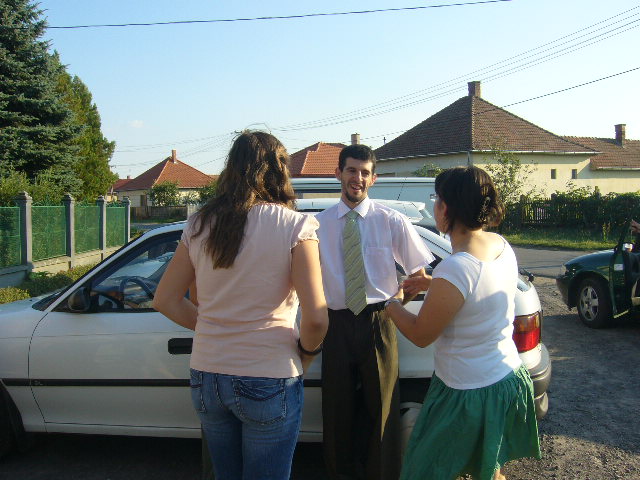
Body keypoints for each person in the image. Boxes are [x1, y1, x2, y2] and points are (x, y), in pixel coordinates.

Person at [153, 130, 328, 480]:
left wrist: (214, 327)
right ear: (279, 169)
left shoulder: (200, 224)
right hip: (270, 372)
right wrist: (305, 357)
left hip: (208, 374)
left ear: (231, 169)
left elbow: (166, 300)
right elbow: (317, 319)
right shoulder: (296, 226)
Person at [384, 166, 541, 480]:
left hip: (469, 391)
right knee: (488, 468)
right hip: (506, 378)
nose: (434, 207)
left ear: (446, 208)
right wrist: (433, 283)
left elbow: (421, 334)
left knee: (424, 470)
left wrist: (390, 304)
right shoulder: (499, 244)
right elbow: (480, 289)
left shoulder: (455, 268)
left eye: (436, 200)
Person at [315, 144, 434, 480]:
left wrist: (395, 305)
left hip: (379, 321)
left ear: (374, 178)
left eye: (365, 172)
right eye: (351, 170)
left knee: (382, 408)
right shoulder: (318, 225)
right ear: (338, 174)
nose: (358, 178)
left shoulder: (391, 220)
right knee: (336, 410)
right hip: (335, 324)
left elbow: (419, 276)